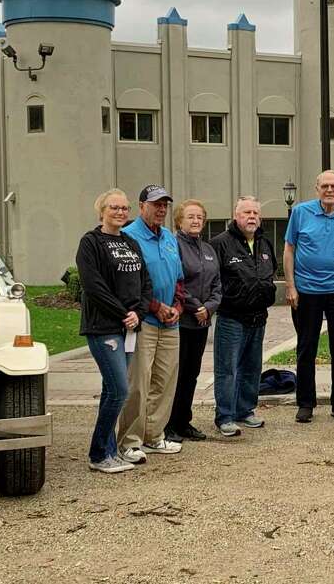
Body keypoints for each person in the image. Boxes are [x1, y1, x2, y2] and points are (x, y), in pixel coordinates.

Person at [76, 189, 152, 474]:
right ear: (101, 211)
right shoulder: (91, 243)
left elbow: (145, 282)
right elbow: (93, 286)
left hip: (130, 327)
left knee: (112, 390)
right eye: (114, 208)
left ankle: (109, 452)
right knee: (120, 389)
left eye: (124, 208)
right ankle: (98, 454)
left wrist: (138, 313)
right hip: (104, 328)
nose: (120, 212)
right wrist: (123, 314)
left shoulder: (131, 243)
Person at [283, 170, 334, 423]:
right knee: (306, 348)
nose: (330, 190)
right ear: (316, 188)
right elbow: (289, 250)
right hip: (307, 291)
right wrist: (290, 286)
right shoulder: (300, 213)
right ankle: (306, 403)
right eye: (325, 186)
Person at [116, 185, 185, 463]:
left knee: (165, 381)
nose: (161, 209)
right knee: (138, 383)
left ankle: (154, 435)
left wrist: (178, 306)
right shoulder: (129, 237)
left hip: (170, 322)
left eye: (165, 205)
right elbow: (130, 285)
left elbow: (179, 278)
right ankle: (129, 441)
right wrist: (157, 307)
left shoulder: (169, 237)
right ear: (142, 205)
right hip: (144, 320)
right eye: (156, 204)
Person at [210, 196, 278, 437]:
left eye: (255, 213)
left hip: (258, 317)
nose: (252, 217)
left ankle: (245, 410)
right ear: (235, 215)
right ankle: (225, 416)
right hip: (232, 317)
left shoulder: (264, 243)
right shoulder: (220, 243)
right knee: (227, 368)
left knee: (251, 367)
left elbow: (271, 273)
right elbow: (213, 279)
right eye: (246, 212)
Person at [165, 199, 222, 443]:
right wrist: (195, 305)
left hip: (201, 323)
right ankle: (168, 425)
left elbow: (218, 286)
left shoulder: (208, 250)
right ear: (179, 221)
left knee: (191, 374)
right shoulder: (174, 245)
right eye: (190, 217)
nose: (196, 221)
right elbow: (176, 282)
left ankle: (183, 421)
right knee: (175, 375)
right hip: (182, 322)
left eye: (199, 217)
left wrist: (208, 308)